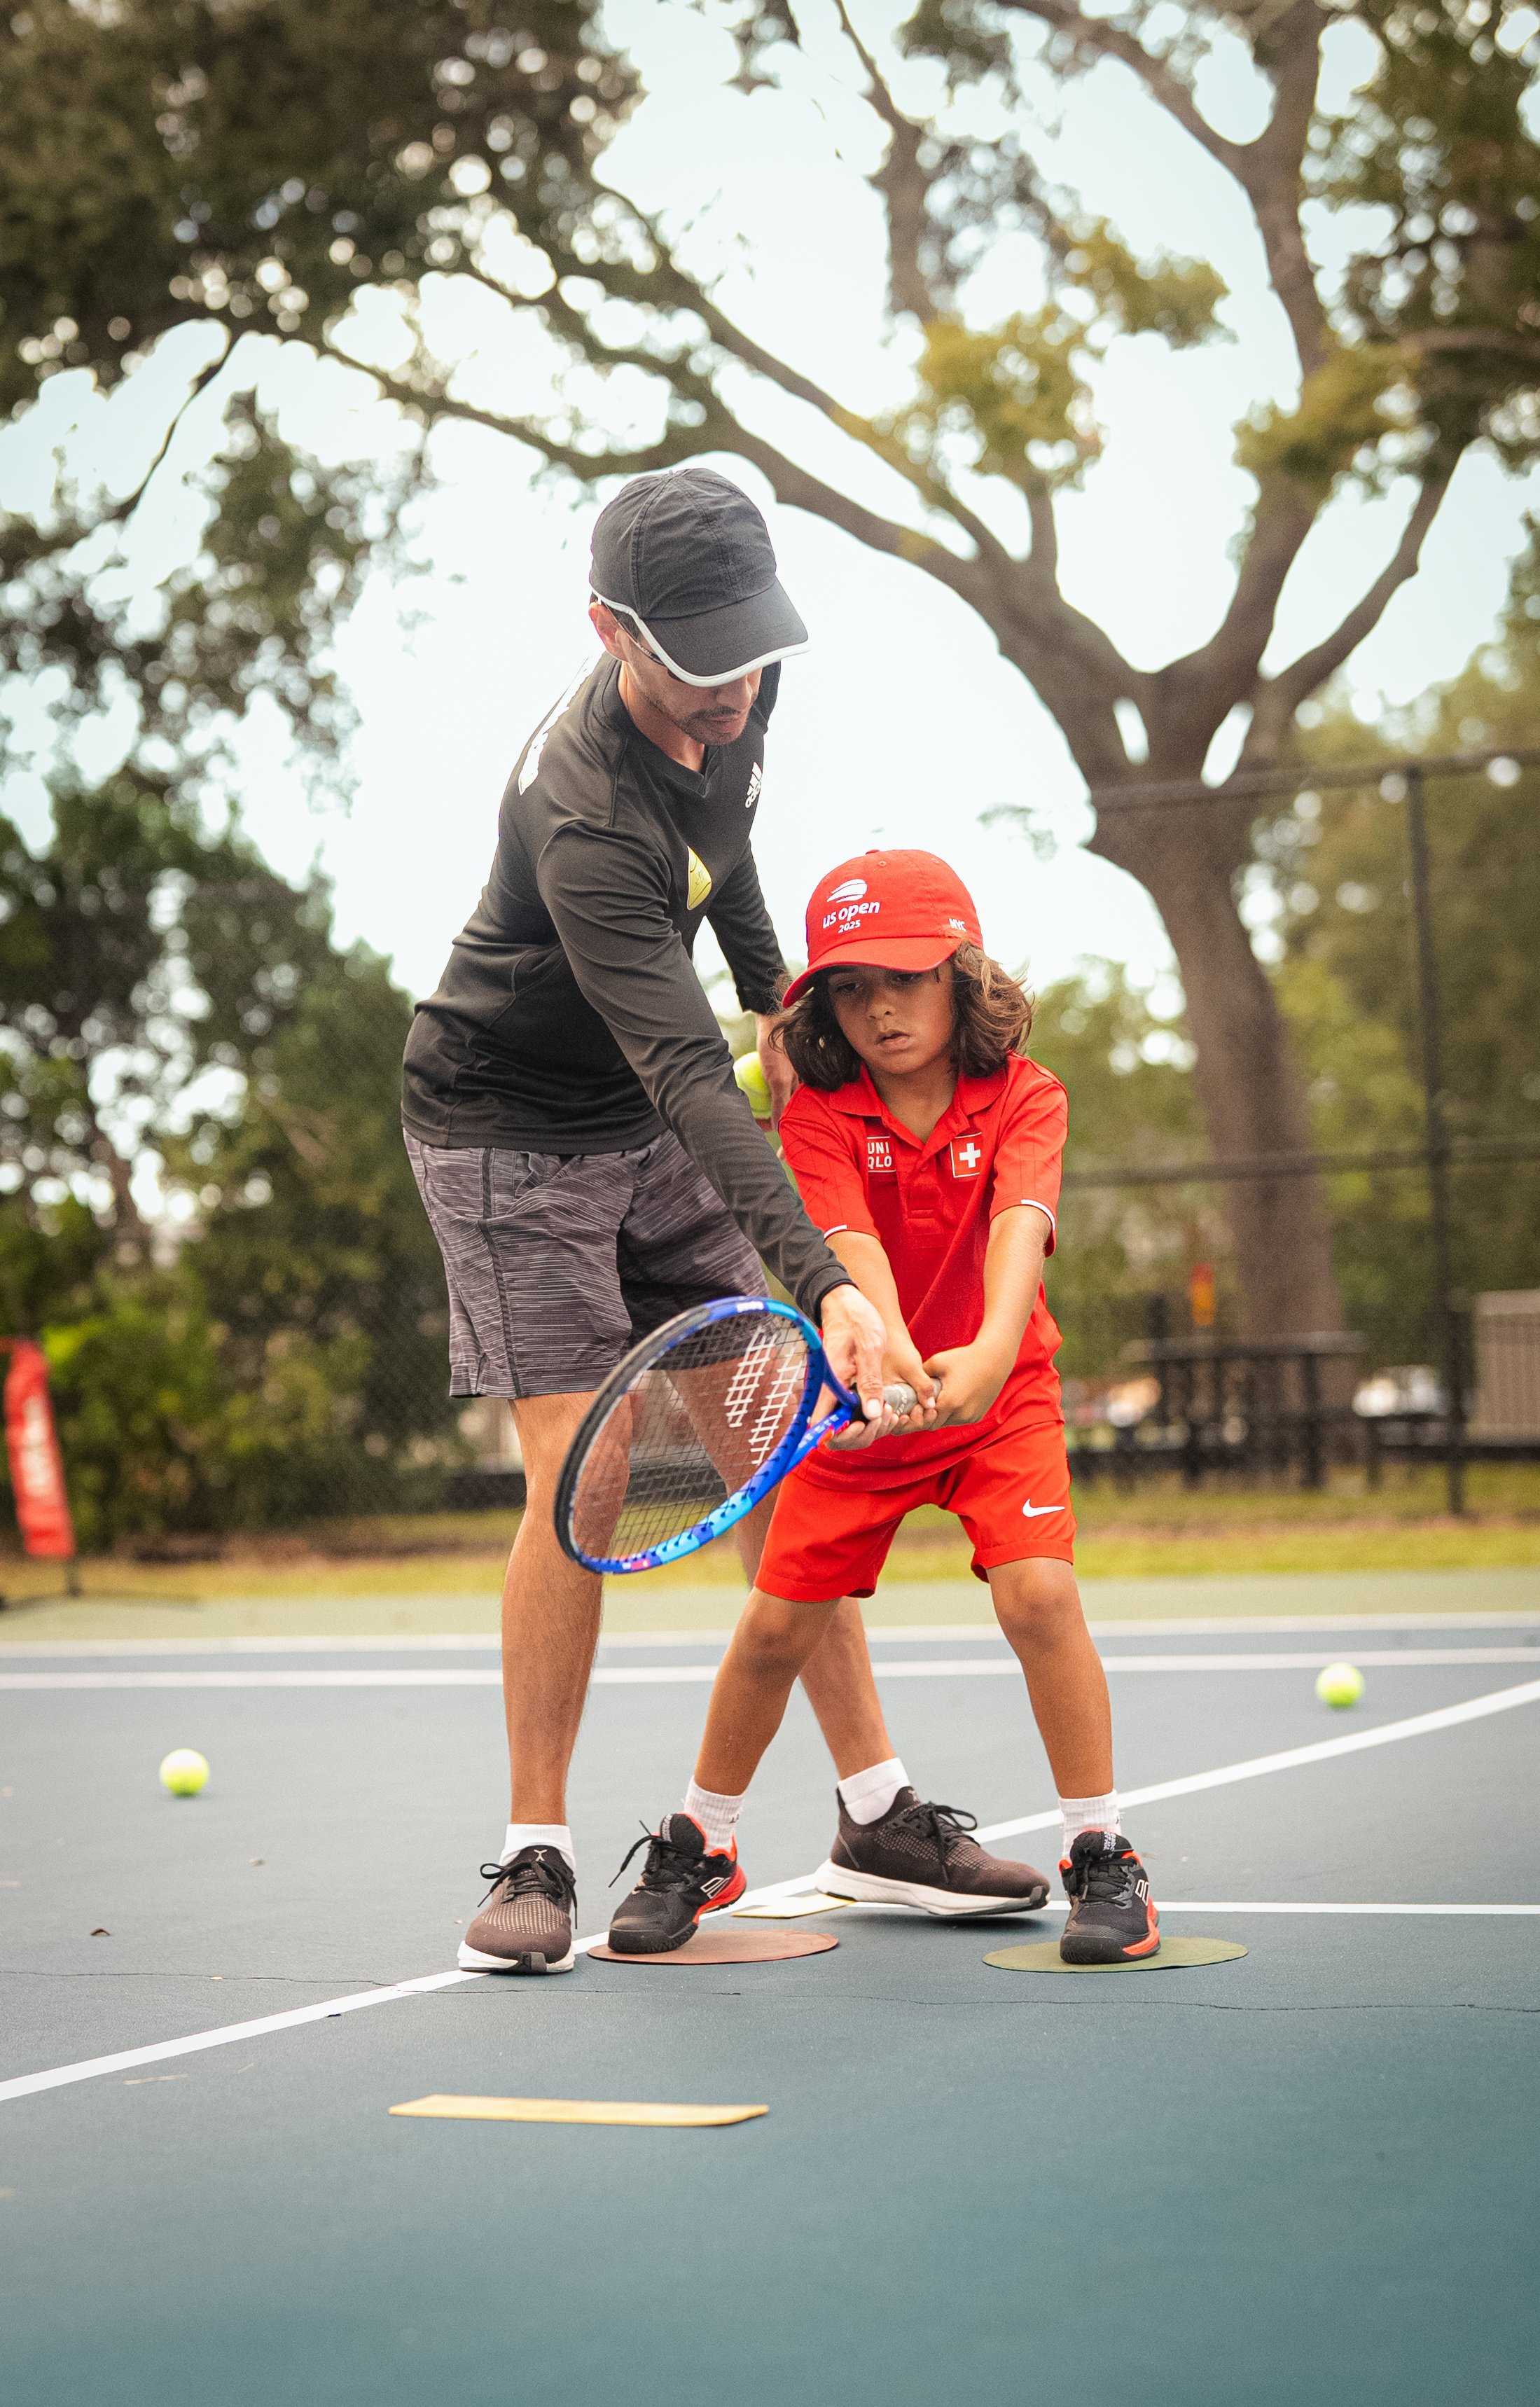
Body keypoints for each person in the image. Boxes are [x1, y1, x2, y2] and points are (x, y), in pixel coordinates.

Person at [402, 470, 1042, 1973]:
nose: (727, 695)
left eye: (746, 655)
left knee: (766, 1442)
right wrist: (822, 1280)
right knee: (587, 1475)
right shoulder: (583, 811)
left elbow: (734, 861)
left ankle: (875, 1815)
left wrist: (790, 1004)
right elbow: (689, 1071)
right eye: (691, 667)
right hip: (511, 1134)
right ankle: (535, 1854)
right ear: (605, 630)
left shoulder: (737, 702)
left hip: (644, 1119)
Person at [608, 848, 1160, 1966]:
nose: (879, 1008)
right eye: (851, 987)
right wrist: (893, 1365)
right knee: (773, 1629)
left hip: (1002, 1403)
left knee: (1041, 1595)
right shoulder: (815, 1114)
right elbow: (848, 1254)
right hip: (864, 1398)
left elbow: (1020, 1235)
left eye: (906, 977)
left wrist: (988, 1358)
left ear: (963, 974)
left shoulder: (1029, 1094)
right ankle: (702, 1842)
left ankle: (1102, 1851)